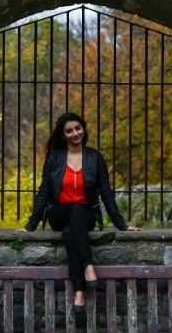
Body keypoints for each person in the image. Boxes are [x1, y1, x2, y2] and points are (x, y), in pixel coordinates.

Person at [19, 112, 138, 314]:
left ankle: (80, 291)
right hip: (58, 213)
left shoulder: (95, 157)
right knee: (72, 211)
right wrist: (30, 225)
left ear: (83, 129)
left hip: (85, 216)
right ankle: (88, 265)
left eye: (78, 128)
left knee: (70, 232)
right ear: (63, 135)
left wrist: (122, 225)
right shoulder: (55, 158)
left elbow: (106, 192)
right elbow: (44, 191)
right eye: (69, 130)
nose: (75, 133)